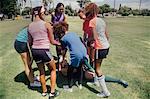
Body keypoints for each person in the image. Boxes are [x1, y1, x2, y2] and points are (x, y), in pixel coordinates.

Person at [28, 6, 60, 98]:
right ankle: (52, 93)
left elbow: (30, 42)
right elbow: (52, 41)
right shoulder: (46, 24)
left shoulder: (30, 26)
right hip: (44, 51)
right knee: (53, 70)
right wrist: (60, 44)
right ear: (40, 13)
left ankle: (44, 91)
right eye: (44, 13)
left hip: (35, 51)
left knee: (41, 72)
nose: (45, 14)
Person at [53, 22, 95, 92]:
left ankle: (70, 88)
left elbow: (64, 50)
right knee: (80, 68)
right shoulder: (73, 33)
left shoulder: (63, 39)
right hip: (84, 52)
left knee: (70, 71)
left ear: (59, 32)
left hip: (76, 54)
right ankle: (80, 84)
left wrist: (62, 58)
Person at [84, 3, 111, 97]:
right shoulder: (102, 20)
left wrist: (85, 40)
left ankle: (105, 92)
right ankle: (97, 82)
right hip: (106, 46)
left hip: (99, 47)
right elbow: (107, 36)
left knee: (97, 69)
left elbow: (94, 38)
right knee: (97, 66)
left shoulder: (92, 21)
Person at [51, 3, 67, 71]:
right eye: (60, 9)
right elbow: (52, 22)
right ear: (57, 8)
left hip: (62, 33)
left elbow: (65, 24)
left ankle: (63, 61)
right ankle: (59, 61)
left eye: (62, 9)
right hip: (56, 33)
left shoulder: (64, 16)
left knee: (64, 47)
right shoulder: (53, 14)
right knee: (58, 47)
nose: (61, 10)